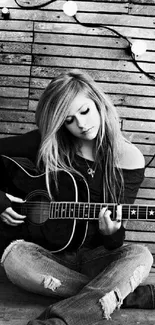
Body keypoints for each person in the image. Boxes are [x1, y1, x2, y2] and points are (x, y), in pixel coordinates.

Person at [0, 69, 154, 325]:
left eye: (84, 111)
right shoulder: (48, 143)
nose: (81, 125)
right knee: (14, 259)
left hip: (96, 260)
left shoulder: (129, 159)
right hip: (45, 257)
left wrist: (111, 231)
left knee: (141, 256)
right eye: (69, 120)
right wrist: (1, 201)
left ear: (98, 102)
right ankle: (125, 294)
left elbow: (115, 243)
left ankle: (57, 321)